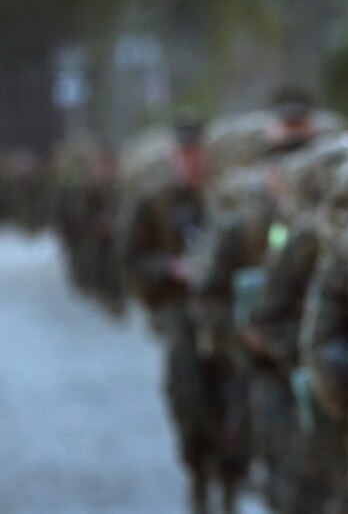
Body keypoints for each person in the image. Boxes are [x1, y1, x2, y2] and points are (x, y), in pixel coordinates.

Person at [116, 117, 219, 513]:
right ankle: (198, 473)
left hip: (221, 308)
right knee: (188, 393)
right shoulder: (153, 202)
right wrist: (169, 269)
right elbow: (131, 257)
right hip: (178, 310)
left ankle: (230, 472)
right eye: (185, 155)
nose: (192, 162)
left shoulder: (221, 197)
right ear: (175, 157)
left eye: (198, 154)